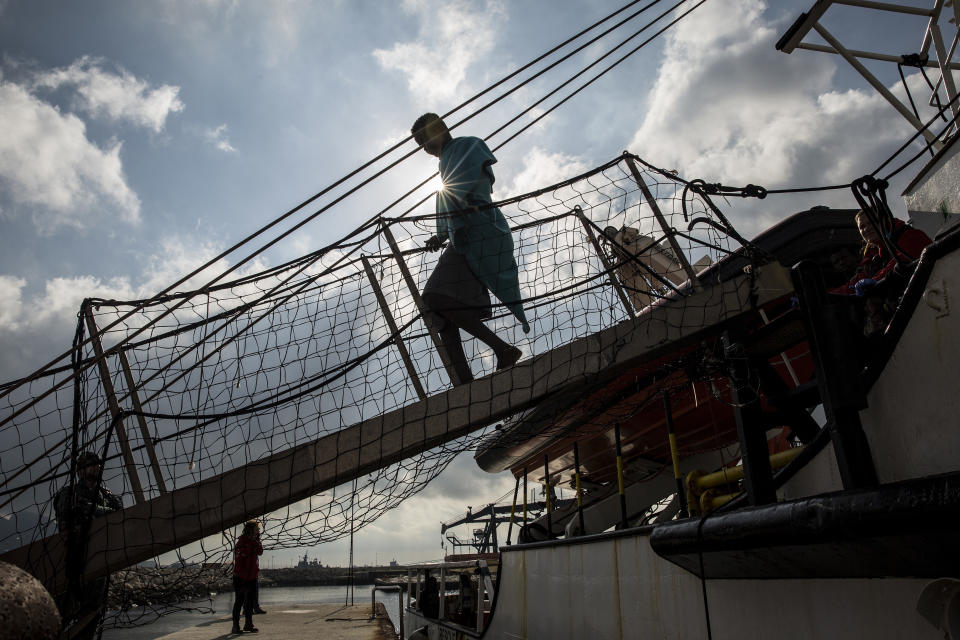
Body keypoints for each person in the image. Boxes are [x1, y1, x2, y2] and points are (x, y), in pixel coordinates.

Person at [411, 113, 530, 385]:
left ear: (440, 128)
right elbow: (451, 197)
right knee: (438, 312)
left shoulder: (466, 145)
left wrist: (457, 222)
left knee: (433, 297)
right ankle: (464, 383)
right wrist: (441, 235)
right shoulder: (445, 164)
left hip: (480, 231)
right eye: (419, 143)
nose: (424, 146)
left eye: (424, 138)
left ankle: (503, 349)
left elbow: (467, 186)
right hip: (464, 235)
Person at [52, 451, 123, 640]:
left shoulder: (107, 495)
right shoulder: (69, 493)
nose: (96, 467)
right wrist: (95, 512)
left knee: (93, 613)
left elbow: (118, 512)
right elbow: (68, 514)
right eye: (90, 465)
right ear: (80, 471)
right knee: (62, 614)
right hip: (73, 561)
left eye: (97, 464)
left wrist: (94, 510)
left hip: (100, 562)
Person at [831, 210, 932, 336]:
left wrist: (875, 281)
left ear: (886, 220)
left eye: (871, 222)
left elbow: (899, 262)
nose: (866, 228)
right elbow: (852, 285)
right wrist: (822, 296)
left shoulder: (911, 236)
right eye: (862, 226)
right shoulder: (876, 257)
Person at [231, 520, 263, 634]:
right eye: (257, 529)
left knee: (249, 602)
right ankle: (235, 626)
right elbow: (242, 555)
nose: (259, 530)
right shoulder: (242, 541)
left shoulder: (255, 541)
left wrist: (256, 541)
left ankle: (248, 624)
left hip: (252, 576)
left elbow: (260, 552)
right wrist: (252, 545)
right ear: (251, 529)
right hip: (241, 576)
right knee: (239, 601)